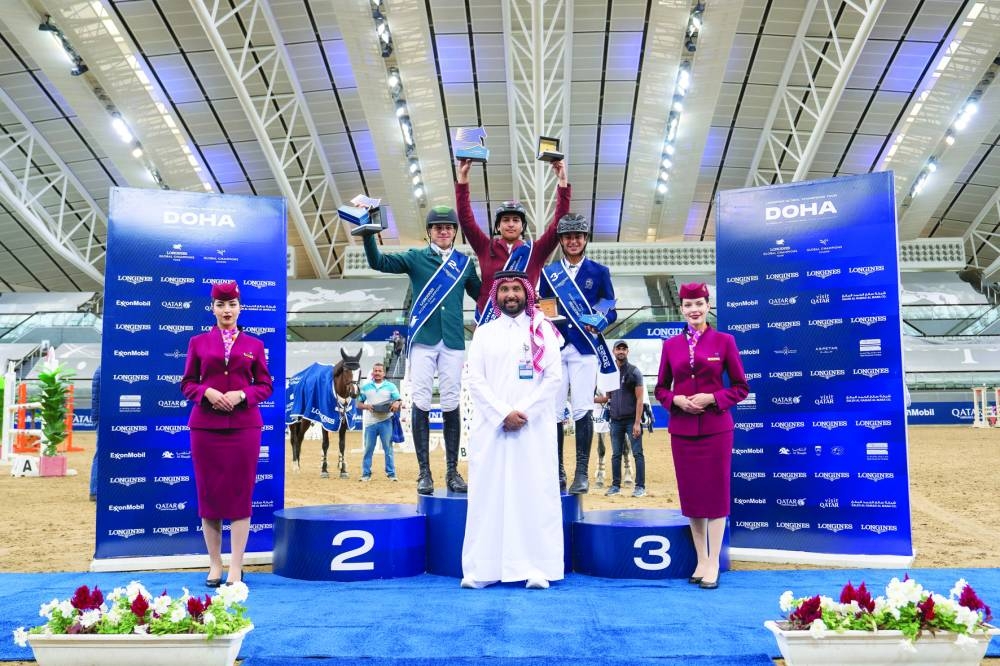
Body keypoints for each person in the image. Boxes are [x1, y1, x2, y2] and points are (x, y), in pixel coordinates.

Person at [363, 206, 481, 494]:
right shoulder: (416, 258)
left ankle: (452, 472)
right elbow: (379, 262)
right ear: (430, 232)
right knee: (422, 402)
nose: (443, 231)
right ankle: (424, 472)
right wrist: (368, 233)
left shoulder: (464, 264)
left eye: (448, 227)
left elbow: (482, 294)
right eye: (438, 227)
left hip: (453, 339)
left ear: (454, 232)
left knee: (452, 402)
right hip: (423, 340)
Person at [461, 270, 564, 590]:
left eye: (516, 289)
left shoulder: (542, 329)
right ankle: (482, 570)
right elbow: (474, 379)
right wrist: (502, 413)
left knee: (533, 493)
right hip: (492, 429)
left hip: (533, 429)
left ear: (527, 294)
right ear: (496, 295)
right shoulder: (484, 332)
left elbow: (554, 379)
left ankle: (537, 568)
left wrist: (525, 412)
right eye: (504, 289)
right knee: (488, 495)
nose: (510, 295)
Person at [653, 282, 749, 590]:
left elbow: (740, 387)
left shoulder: (724, 342)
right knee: (693, 496)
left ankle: (714, 562)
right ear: (680, 308)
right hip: (682, 431)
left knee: (716, 496)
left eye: (699, 303)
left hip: (716, 430)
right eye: (688, 304)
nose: (694, 309)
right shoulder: (670, 346)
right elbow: (660, 389)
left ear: (708, 306)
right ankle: (701, 558)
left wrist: (713, 398)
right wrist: (676, 401)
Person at [181, 281, 273, 588]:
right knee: (209, 496)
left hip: (244, 428)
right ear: (213, 308)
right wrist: (206, 391)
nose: (227, 310)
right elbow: (187, 384)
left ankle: (236, 566)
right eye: (221, 305)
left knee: (239, 494)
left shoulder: (254, 345)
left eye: (232, 304)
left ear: (239, 307)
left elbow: (265, 385)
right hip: (205, 428)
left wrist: (242, 395)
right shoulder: (198, 342)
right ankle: (215, 564)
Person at [539, 213, 618, 494]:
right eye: (568, 237)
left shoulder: (599, 272)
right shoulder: (549, 273)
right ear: (561, 240)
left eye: (578, 236)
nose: (573, 241)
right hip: (557, 347)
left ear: (585, 239)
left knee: (584, 407)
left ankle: (581, 472)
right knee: (554, 410)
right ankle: (557, 469)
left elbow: (611, 308)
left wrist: (602, 320)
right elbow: (545, 306)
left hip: (585, 348)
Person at [455, 158, 571, 325]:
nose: (510, 224)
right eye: (506, 220)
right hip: (490, 319)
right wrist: (463, 178)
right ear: (498, 226)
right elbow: (466, 220)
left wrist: (562, 182)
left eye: (515, 220)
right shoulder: (485, 247)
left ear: (522, 226)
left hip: (524, 320)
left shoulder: (535, 251)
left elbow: (558, 224)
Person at [596, 340, 646, 498]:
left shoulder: (634, 372)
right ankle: (615, 485)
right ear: (613, 351)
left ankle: (640, 487)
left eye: (624, 349)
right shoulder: (610, 374)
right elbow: (607, 398)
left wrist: (637, 423)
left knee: (637, 453)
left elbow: (640, 399)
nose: (621, 351)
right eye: (619, 349)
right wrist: (588, 399)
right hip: (615, 420)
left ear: (628, 352)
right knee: (616, 454)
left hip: (632, 420)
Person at [357, 362, 402, 481]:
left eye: (379, 371)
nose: (377, 373)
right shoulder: (365, 387)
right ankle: (366, 474)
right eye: (375, 371)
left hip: (386, 421)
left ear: (384, 373)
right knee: (368, 450)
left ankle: (391, 474)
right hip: (370, 423)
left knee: (388, 449)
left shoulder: (391, 386)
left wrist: (397, 403)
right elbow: (358, 404)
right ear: (372, 372)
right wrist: (367, 407)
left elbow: (398, 400)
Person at [88, 364, 101, 502]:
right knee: (101, 453)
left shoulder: (100, 368)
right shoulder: (105, 368)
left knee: (101, 452)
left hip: (100, 416)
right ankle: (95, 490)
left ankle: (95, 490)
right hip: (103, 417)